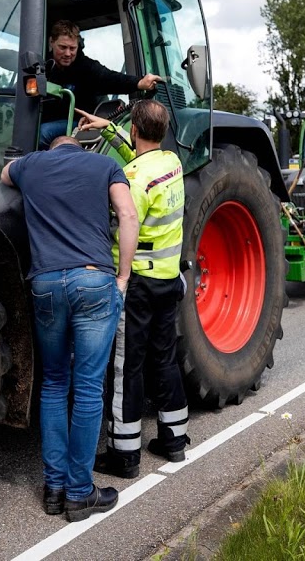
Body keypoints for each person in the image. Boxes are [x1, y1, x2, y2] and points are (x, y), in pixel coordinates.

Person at [1, 135, 139, 522]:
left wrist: (30, 166)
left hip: (45, 284)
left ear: (53, 149)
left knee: (53, 384)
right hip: (94, 281)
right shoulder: (104, 165)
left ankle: (54, 488)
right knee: (88, 388)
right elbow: (127, 216)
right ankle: (80, 493)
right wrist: (123, 277)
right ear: (81, 147)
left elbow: (4, 175)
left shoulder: (32, 164)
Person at [76, 100, 190, 479]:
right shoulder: (172, 163)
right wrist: (109, 127)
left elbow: (127, 224)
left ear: (137, 131)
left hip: (138, 282)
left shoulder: (133, 180)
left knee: (127, 367)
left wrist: (120, 276)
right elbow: (140, 153)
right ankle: (174, 440)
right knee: (165, 358)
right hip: (169, 279)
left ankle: (125, 455)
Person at [39, 20, 164, 148]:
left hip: (79, 122)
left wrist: (139, 82)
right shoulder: (42, 67)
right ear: (51, 42)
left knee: (42, 134)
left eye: (72, 48)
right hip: (45, 118)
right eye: (63, 47)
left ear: (78, 46)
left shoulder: (87, 68)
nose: (68, 53)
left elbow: (110, 78)